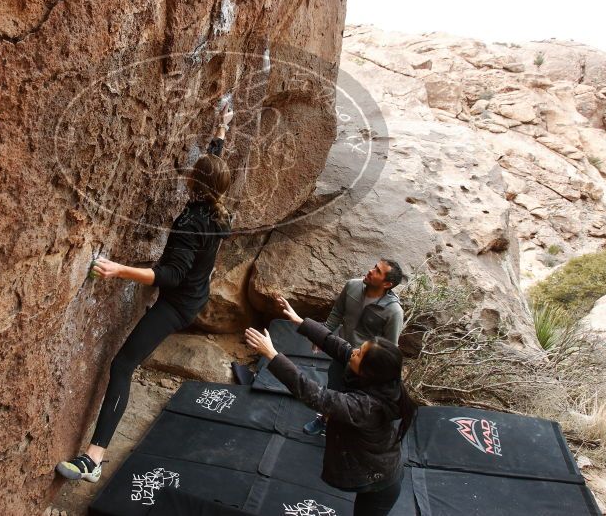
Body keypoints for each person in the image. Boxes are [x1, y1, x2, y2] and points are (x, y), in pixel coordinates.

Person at [55, 106, 234, 483]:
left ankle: (94, 458)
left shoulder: (191, 222)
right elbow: (214, 168)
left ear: (193, 183)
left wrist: (119, 269)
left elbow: (169, 276)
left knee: (122, 365)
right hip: (194, 295)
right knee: (123, 364)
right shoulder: (218, 210)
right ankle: (94, 456)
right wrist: (220, 129)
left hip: (178, 303)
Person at [244, 303, 417, 516]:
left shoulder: (366, 407)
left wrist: (273, 356)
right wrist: (301, 323)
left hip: (379, 481)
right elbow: (341, 347)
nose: (353, 351)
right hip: (376, 467)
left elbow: (315, 395)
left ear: (368, 371)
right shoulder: (382, 378)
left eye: (359, 353)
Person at [280, 259, 405, 435]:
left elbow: (390, 348)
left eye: (377, 271)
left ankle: (347, 430)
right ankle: (324, 420)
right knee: (333, 387)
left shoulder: (394, 312)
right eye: (374, 266)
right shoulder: (352, 286)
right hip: (341, 352)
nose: (370, 270)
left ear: (387, 284)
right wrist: (321, 335)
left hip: (366, 366)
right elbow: (337, 313)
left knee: (354, 399)